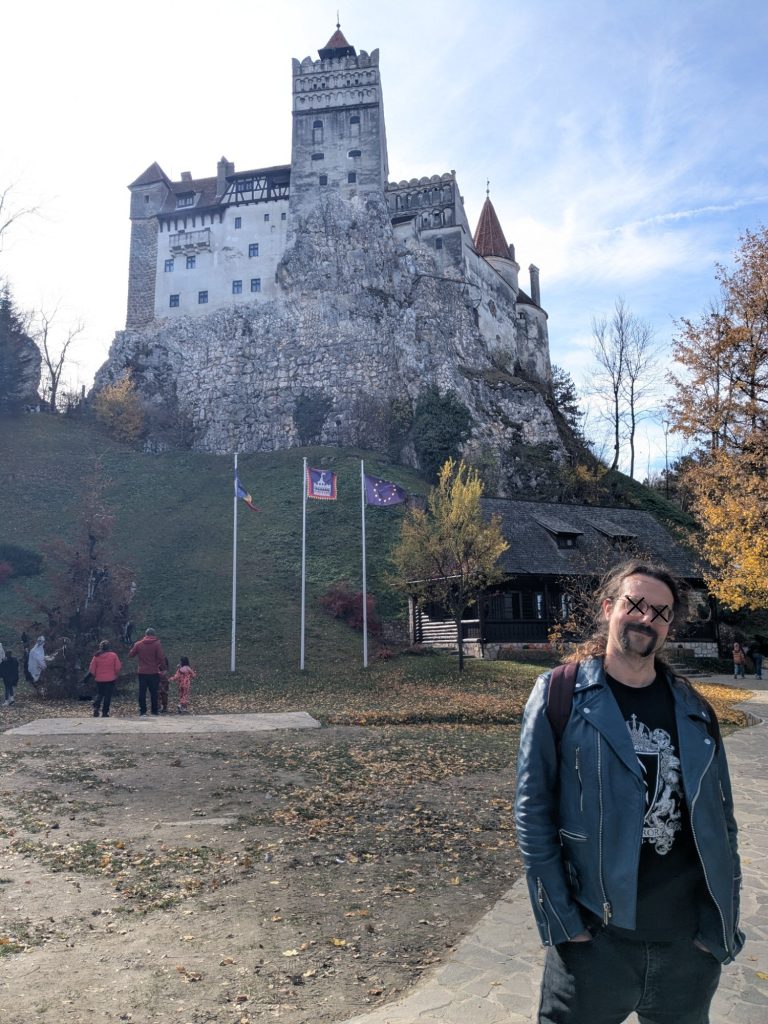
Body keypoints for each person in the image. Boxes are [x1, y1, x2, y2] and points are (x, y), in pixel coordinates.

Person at [515, 560, 743, 1024]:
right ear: (609, 608)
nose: (646, 618)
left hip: (686, 949)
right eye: (634, 604)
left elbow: (723, 822)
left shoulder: (695, 711)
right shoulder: (560, 694)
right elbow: (532, 815)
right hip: (596, 943)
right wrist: (564, 925)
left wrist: (716, 932)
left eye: (661, 612)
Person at [128, 628, 166, 717]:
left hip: (142, 672)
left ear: (145, 635)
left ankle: (142, 712)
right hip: (153, 672)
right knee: (154, 693)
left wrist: (132, 648)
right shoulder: (157, 644)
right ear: (154, 635)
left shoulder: (138, 644)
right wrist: (163, 668)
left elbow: (130, 655)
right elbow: (161, 657)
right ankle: (154, 711)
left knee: (142, 692)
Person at [88, 640, 122, 718]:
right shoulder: (113, 655)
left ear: (100, 647)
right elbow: (118, 667)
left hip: (99, 679)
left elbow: (91, 669)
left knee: (100, 694)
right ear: (109, 647)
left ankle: (96, 708)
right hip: (110, 679)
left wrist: (95, 675)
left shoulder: (96, 656)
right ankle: (105, 713)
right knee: (107, 696)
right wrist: (115, 674)